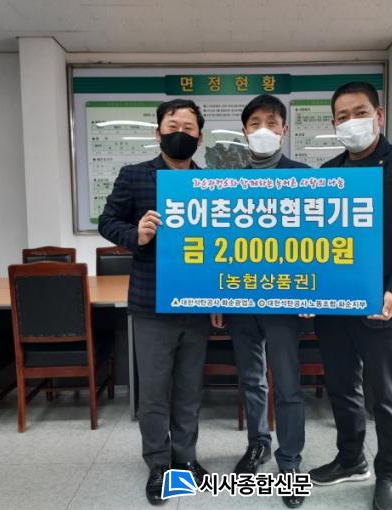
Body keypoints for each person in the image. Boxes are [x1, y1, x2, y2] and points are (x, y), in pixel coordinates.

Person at [308, 82, 392, 510]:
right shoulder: (328, 173)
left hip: (385, 303)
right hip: (335, 304)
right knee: (342, 386)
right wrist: (308, 293)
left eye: (360, 113)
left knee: (386, 395)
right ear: (334, 124)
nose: (352, 122)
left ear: (379, 116)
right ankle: (351, 459)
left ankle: (389, 474)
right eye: (342, 116)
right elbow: (317, 241)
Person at [99, 99, 210, 506]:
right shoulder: (135, 176)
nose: (180, 133)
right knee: (154, 391)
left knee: (189, 389)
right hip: (151, 304)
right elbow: (107, 221)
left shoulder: (210, 184)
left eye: (188, 127)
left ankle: (186, 458)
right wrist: (137, 235)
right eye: (172, 125)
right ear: (157, 132)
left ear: (200, 137)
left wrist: (218, 298)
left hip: (197, 303)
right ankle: (159, 464)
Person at [211, 94, 310, 509]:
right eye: (255, 123)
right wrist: (216, 299)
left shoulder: (305, 179)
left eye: (272, 122)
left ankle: (290, 461)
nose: (263, 130)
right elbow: (216, 243)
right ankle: (259, 444)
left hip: (285, 297)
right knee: (252, 379)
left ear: (284, 130)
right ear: (244, 131)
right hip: (239, 296)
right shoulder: (227, 180)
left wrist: (313, 292)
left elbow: (316, 242)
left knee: (286, 382)